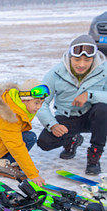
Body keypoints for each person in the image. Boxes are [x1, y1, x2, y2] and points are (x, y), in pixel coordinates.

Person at [36, 34, 107, 175]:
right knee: (44, 143)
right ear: (69, 57)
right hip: (68, 118)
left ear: (93, 58)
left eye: (87, 60)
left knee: (102, 109)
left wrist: (90, 95)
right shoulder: (55, 73)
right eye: (77, 59)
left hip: (93, 116)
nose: (81, 64)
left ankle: (94, 157)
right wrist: (52, 124)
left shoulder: (104, 70)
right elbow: (40, 102)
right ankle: (73, 138)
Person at [0, 79, 47, 186]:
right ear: (25, 100)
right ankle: (2, 164)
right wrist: (33, 174)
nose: (39, 107)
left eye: (41, 103)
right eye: (36, 103)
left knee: (29, 136)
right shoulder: (10, 116)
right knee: (28, 138)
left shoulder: (18, 106)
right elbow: (16, 146)